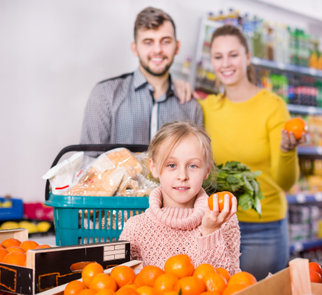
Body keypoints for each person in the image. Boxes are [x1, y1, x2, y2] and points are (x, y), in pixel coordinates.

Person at [198, 24, 304, 280]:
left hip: (262, 228)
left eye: (233, 55)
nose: (226, 63)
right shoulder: (204, 108)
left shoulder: (272, 106)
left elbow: (285, 182)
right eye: (218, 56)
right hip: (216, 224)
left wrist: (287, 150)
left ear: (247, 57)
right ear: (211, 62)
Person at [119, 121, 241, 274]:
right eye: (171, 165)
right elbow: (122, 282)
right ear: (154, 167)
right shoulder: (136, 228)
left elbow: (227, 283)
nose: (182, 176)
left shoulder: (224, 221)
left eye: (193, 166)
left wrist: (211, 231)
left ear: (207, 170)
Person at [80, 6, 202, 144]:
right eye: (148, 42)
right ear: (135, 48)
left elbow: (195, 161)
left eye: (165, 41)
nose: (157, 50)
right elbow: (90, 160)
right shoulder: (105, 95)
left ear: (177, 47)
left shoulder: (191, 106)